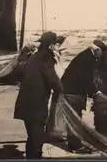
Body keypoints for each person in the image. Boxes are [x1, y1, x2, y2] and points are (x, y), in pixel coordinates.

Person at [13, 31, 64, 159]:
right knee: (37, 137)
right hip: (36, 104)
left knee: (32, 136)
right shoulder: (46, 57)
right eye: (56, 44)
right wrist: (60, 90)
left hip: (25, 101)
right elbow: (51, 77)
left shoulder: (33, 56)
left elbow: (19, 74)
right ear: (51, 45)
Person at [58, 41, 105, 153]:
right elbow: (87, 78)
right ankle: (75, 146)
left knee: (74, 118)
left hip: (70, 90)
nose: (101, 56)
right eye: (102, 53)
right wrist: (95, 92)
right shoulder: (88, 59)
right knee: (75, 119)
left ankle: (75, 143)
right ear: (97, 50)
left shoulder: (85, 56)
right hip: (73, 92)